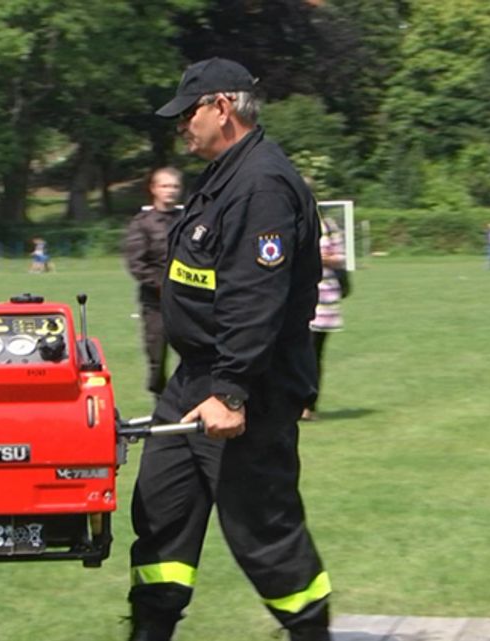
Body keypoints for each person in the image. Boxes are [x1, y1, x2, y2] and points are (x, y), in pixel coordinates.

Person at [126, 58, 331, 641]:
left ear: (222, 106)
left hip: (245, 390)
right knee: (161, 516)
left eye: (188, 113)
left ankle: (312, 632)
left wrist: (231, 392)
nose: (182, 127)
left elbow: (255, 300)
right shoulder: (222, 175)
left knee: (263, 531)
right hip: (193, 381)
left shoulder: (262, 185)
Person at [123, 167, 184, 395]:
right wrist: (162, 286)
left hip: (188, 301)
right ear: (154, 189)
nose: (170, 191)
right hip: (155, 302)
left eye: (175, 186)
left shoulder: (188, 219)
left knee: (195, 355)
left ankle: (187, 402)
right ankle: (160, 399)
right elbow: (136, 263)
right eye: (165, 186)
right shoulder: (142, 223)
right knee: (157, 357)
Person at [302, 219, 345, 421]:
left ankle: (308, 405)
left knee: (313, 353)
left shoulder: (328, 227)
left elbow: (341, 258)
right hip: (296, 297)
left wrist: (325, 259)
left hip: (324, 299)